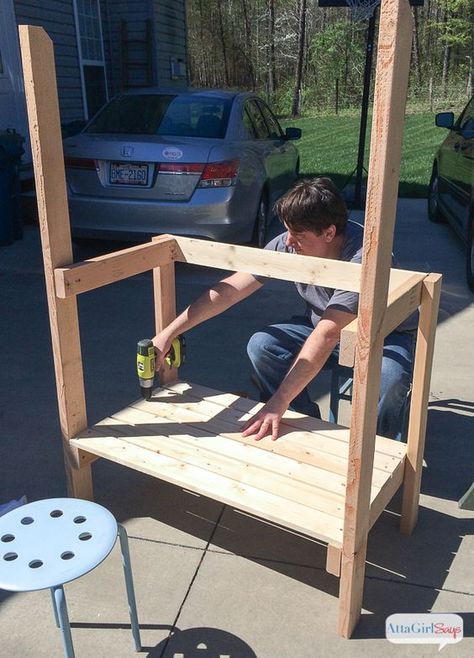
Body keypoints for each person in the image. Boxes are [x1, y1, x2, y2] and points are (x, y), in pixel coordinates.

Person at [153, 177, 416, 442]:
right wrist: (169, 333)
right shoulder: (290, 242)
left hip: (382, 335)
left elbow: (329, 333)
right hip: (321, 325)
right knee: (262, 345)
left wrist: (277, 401)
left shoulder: (363, 258)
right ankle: (301, 423)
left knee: (390, 378)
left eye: (298, 236)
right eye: (288, 231)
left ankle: (380, 446)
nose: (288, 242)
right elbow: (231, 289)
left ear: (329, 233)